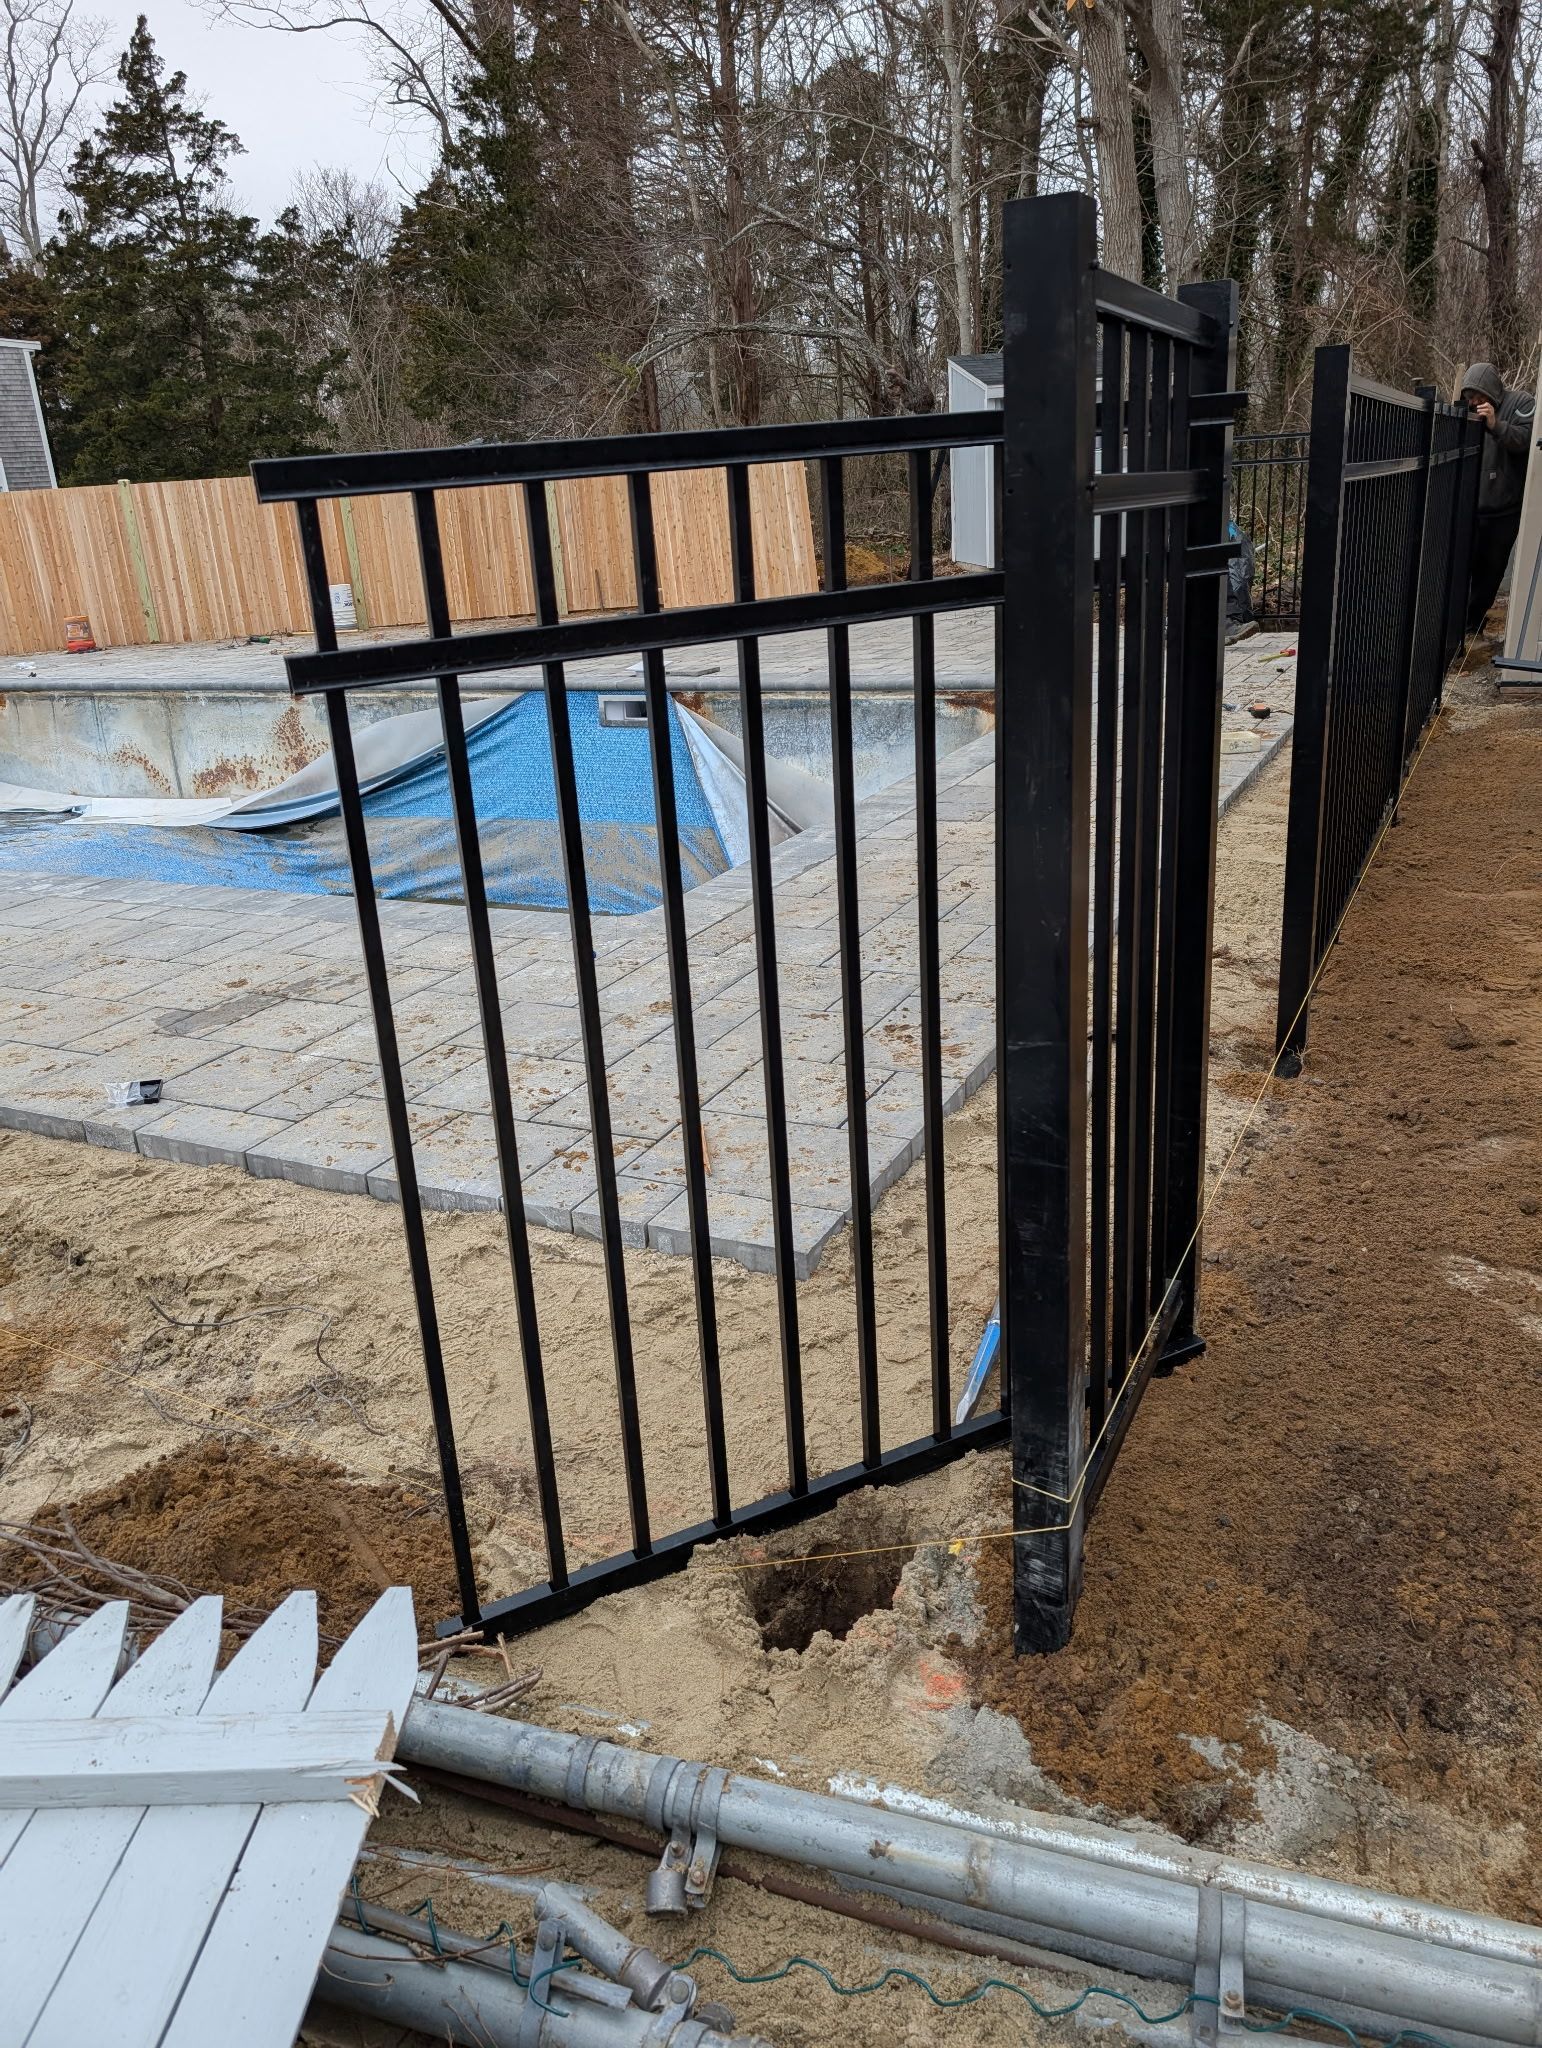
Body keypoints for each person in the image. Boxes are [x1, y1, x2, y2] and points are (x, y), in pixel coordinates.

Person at [1460, 361, 1537, 636]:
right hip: (1471, 507)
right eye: (1470, 397)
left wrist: (1495, 424)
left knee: (1490, 573)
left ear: (1492, 391)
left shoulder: (1522, 403)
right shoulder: (1468, 414)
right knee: (1462, 569)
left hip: (1504, 510)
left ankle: (1472, 624)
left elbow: (1525, 440)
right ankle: (1461, 625)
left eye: (1479, 396)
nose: (1475, 402)